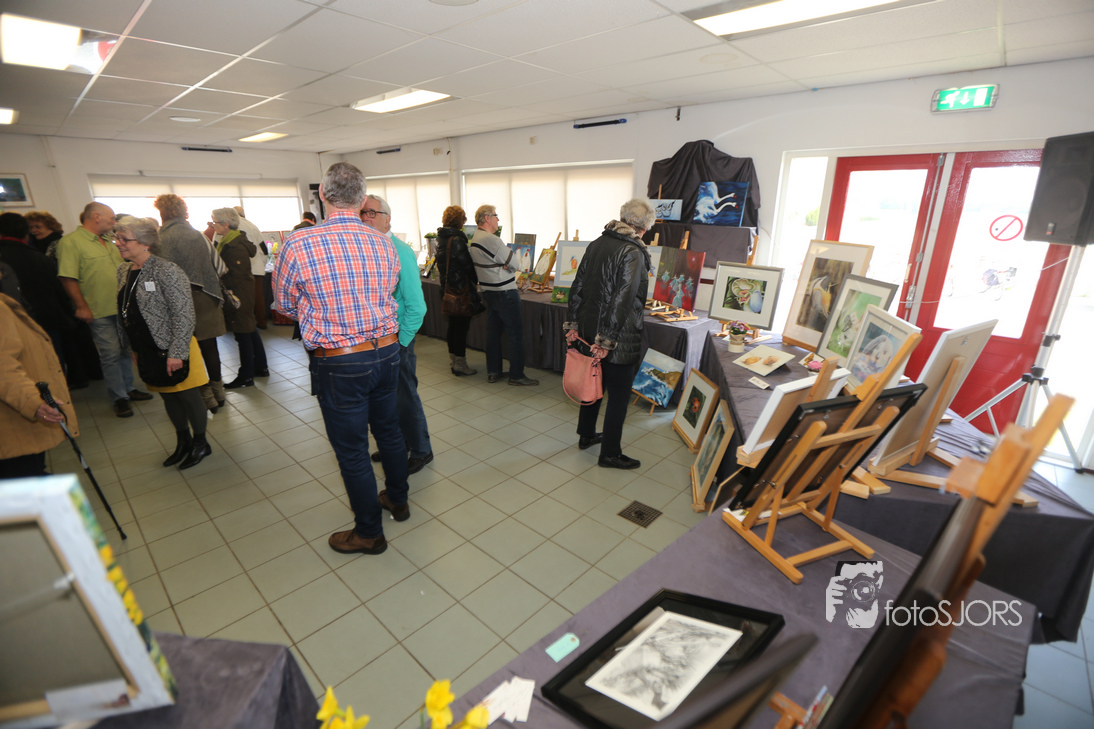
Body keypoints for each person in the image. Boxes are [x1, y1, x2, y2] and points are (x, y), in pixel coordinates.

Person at [272, 162, 409, 556]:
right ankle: (398, 500)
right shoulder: (384, 243)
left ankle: (369, 532)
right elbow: (388, 291)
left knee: (352, 450)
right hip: (387, 351)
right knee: (390, 432)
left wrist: (316, 310)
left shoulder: (299, 243)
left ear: (322, 195)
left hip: (340, 360)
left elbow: (283, 304)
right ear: (362, 199)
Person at [563, 198, 655, 470]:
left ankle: (586, 434)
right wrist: (607, 340)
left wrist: (574, 324)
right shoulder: (633, 252)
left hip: (590, 330)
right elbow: (623, 299)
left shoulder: (597, 243)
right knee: (618, 397)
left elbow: (577, 287)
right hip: (617, 337)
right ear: (643, 227)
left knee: (593, 382)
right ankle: (610, 454)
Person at [113, 217, 212, 469]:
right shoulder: (123, 270)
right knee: (168, 396)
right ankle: (184, 441)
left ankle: (201, 443)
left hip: (176, 346)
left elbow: (184, 314)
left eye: (125, 239)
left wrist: (176, 352)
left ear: (145, 242)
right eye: (117, 238)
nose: (118, 243)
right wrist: (132, 346)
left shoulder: (166, 270)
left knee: (188, 395)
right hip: (148, 347)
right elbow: (126, 310)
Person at [56, 202, 152, 418]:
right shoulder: (71, 242)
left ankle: (129, 388)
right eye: (111, 218)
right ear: (97, 217)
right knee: (110, 354)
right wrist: (81, 306)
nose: (114, 222)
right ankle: (119, 397)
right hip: (99, 310)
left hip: (123, 308)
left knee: (125, 350)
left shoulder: (111, 241)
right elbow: (67, 277)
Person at [361, 194, 433, 474]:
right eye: (363, 213)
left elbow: (417, 306)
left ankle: (421, 450)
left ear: (387, 219)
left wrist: (402, 342)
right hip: (376, 340)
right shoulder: (367, 249)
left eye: (372, 213)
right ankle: (398, 444)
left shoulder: (399, 251)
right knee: (385, 399)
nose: (366, 218)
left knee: (405, 398)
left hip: (397, 340)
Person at [154, 193, 228, 413]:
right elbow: (220, 267)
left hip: (175, 301)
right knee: (210, 347)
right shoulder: (198, 236)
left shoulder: (159, 239)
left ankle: (205, 395)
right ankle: (219, 391)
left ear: (161, 212)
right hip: (205, 297)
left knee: (187, 350)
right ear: (183, 212)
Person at [0, 288, 76, 479]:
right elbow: (3, 368)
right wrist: (33, 402)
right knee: (27, 480)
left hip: (15, 422)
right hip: (13, 427)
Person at [469, 204, 538, 386]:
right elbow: (515, 262)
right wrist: (507, 265)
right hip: (505, 292)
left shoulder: (476, 237)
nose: (498, 219)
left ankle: (494, 372)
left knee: (493, 333)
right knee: (516, 334)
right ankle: (516, 375)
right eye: (496, 215)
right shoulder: (491, 240)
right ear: (486, 218)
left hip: (489, 291)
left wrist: (505, 264)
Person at [211, 207, 268, 389]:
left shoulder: (234, 246)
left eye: (215, 222)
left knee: (243, 334)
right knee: (250, 329)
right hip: (242, 292)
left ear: (226, 224)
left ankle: (246, 376)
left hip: (238, 295)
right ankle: (260, 367)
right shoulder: (231, 240)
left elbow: (235, 276)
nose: (213, 226)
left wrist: (230, 296)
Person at [435, 206, 481, 377]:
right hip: (460, 291)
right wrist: (476, 279)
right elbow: (467, 265)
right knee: (461, 328)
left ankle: (454, 359)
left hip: (447, 289)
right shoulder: (457, 240)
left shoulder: (442, 239)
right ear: (460, 221)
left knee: (453, 327)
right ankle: (460, 364)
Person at [233, 205, 269, 329]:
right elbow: (264, 248)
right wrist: (262, 263)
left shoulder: (229, 226)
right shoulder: (253, 226)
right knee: (258, 297)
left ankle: (242, 324)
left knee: (240, 298)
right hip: (257, 268)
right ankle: (262, 322)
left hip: (238, 270)